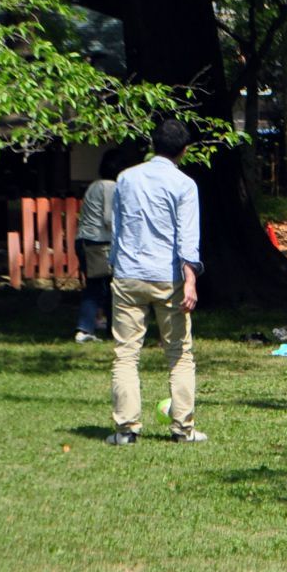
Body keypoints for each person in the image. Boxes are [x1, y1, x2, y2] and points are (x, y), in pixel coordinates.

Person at [105, 120, 204, 445]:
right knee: (179, 354)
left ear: (152, 143)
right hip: (168, 278)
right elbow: (187, 238)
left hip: (128, 275)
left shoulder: (126, 178)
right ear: (184, 150)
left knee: (126, 354)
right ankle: (182, 429)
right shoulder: (184, 184)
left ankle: (126, 430)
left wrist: (115, 266)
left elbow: (117, 228)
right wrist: (190, 280)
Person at [73, 148, 124, 343]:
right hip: (98, 243)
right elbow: (109, 219)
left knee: (98, 285)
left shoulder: (94, 185)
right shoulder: (110, 186)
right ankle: (86, 329)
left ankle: (104, 327)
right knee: (102, 287)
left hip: (85, 240)